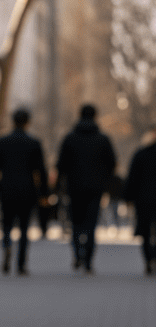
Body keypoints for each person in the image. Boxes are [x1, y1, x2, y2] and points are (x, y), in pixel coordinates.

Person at [56, 104, 116, 273]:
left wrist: (58, 186)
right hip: (95, 189)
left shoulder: (70, 138)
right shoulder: (103, 139)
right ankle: (88, 260)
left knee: (76, 223)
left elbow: (61, 165)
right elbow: (111, 163)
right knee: (91, 224)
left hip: (74, 188)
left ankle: (77, 255)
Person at [0, 108, 48, 275]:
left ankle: (7, 246)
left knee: (6, 223)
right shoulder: (34, 143)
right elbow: (41, 171)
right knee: (24, 227)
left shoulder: (1, 142)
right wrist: (44, 193)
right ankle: (21, 263)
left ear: (13, 121)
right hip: (27, 191)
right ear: (28, 122)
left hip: (6, 189)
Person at [123, 133, 156, 275]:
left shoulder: (141, 154)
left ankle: (148, 258)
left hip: (144, 198)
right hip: (145, 197)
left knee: (146, 230)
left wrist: (128, 197)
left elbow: (132, 177)